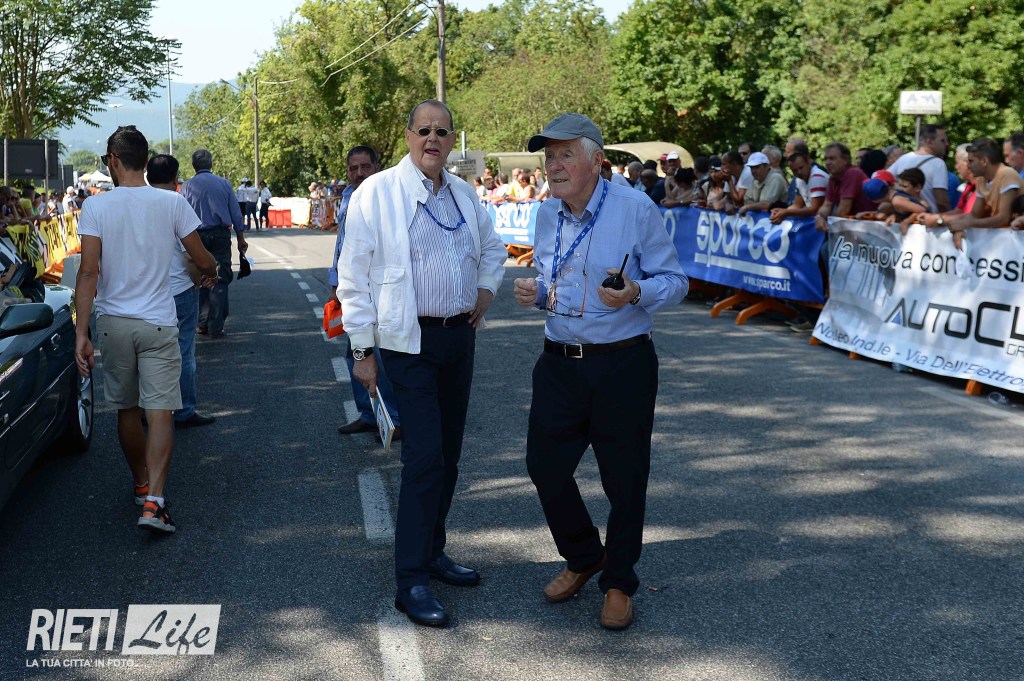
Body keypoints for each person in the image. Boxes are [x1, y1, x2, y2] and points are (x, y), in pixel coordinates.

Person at [513, 113, 687, 631]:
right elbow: (555, 282)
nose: (554, 165)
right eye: (550, 156)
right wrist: (536, 293)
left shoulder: (635, 208)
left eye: (566, 154)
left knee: (624, 481)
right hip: (559, 362)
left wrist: (636, 292)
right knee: (544, 467)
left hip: (622, 365)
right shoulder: (547, 214)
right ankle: (585, 555)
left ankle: (618, 582)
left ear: (597, 162)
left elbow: (675, 280)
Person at [338, 99, 506, 628]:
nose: (433, 139)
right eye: (424, 130)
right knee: (425, 458)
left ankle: (433, 551)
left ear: (452, 140)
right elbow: (352, 277)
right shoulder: (376, 192)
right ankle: (410, 580)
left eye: (442, 131)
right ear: (409, 136)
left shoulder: (462, 193)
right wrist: (361, 351)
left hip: (459, 338)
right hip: (406, 343)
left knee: (449, 456)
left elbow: (493, 249)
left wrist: (485, 291)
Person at [74, 126, 217, 534]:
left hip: (114, 324)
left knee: (127, 409)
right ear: (144, 158)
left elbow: (88, 272)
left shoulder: (95, 206)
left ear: (113, 161)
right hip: (158, 321)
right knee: (160, 411)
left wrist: (81, 333)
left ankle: (140, 482)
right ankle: (155, 502)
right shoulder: (172, 202)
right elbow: (200, 256)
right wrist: (211, 270)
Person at [326, 145, 401, 438]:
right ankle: (368, 415)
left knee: (379, 355)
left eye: (365, 167)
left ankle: (394, 419)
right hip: (353, 289)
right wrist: (335, 284)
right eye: (353, 168)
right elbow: (342, 246)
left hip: (378, 291)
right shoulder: (347, 197)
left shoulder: (387, 198)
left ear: (376, 168)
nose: (359, 173)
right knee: (355, 351)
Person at [147, 154, 218, 429]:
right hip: (178, 290)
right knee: (183, 352)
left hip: (145, 292)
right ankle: (184, 409)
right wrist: (202, 278)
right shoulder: (176, 203)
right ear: (176, 178)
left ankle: (148, 409)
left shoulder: (137, 203)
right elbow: (191, 256)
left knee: (149, 354)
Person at [180, 149, 248, 338]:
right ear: (211, 164)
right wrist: (240, 238)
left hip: (196, 236)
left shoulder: (186, 187)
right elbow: (235, 212)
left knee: (201, 275)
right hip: (220, 235)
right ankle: (217, 325)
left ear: (194, 166)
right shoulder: (224, 184)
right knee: (220, 277)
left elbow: (181, 214)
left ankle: (202, 323)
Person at [948, 137, 1020, 249]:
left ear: (984, 161)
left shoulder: (1007, 174)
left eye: (971, 161)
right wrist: (957, 225)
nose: (968, 166)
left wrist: (967, 224)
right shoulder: (982, 179)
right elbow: (974, 214)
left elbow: (1003, 218)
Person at [885, 124, 951, 213]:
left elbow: (882, 180)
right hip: (925, 218)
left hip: (903, 217)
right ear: (930, 142)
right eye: (943, 140)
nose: (946, 144)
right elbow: (941, 202)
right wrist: (945, 218)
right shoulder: (938, 163)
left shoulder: (904, 158)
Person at [814, 142, 875, 232]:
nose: (827, 162)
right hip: (856, 227)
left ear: (845, 160)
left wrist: (829, 226)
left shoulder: (852, 173)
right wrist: (819, 217)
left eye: (832, 159)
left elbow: (843, 212)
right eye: (825, 159)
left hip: (869, 228)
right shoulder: (833, 178)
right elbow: (827, 205)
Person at [770, 150, 828, 224]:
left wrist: (786, 212)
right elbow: (797, 205)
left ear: (808, 163)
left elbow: (814, 209)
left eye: (801, 168)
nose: (799, 172)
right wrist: (781, 211)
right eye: (795, 171)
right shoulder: (800, 179)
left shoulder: (817, 177)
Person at [738, 151, 788, 216]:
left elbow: (767, 204)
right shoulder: (754, 180)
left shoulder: (776, 178)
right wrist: (757, 205)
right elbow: (746, 201)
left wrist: (748, 207)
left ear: (766, 166)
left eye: (757, 167)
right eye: (751, 168)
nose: (753, 171)